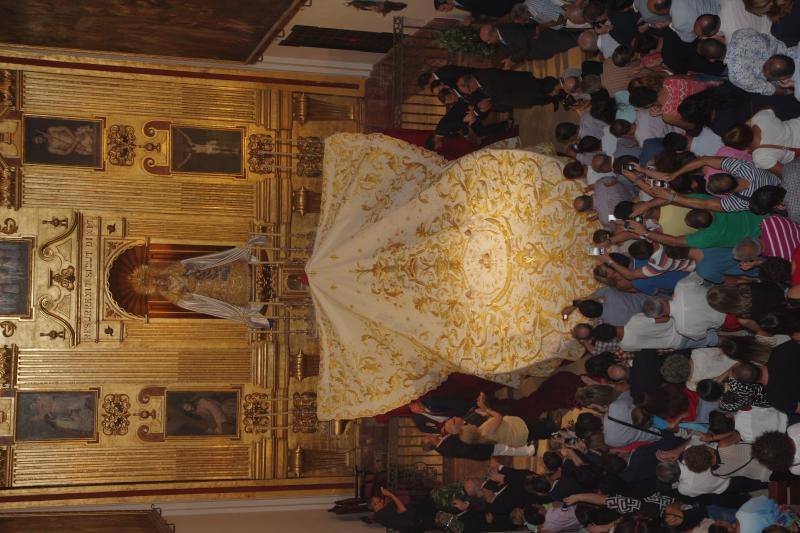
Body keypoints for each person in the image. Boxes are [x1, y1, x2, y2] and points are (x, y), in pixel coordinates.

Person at [128, 236, 273, 328]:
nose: (157, 281)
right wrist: (183, 292)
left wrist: (190, 271)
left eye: (154, 277)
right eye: (154, 282)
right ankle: (253, 304)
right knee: (224, 294)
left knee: (226, 270)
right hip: (204, 291)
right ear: (152, 286)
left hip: (207, 274)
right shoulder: (166, 293)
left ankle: (255, 268)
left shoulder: (170, 270)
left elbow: (189, 264)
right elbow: (184, 300)